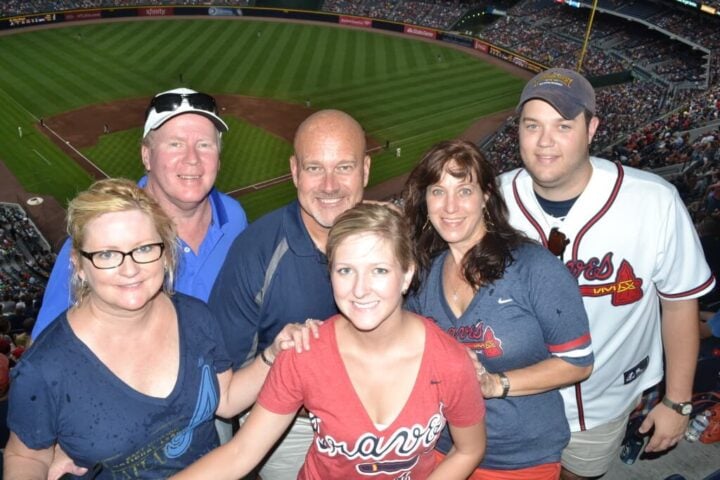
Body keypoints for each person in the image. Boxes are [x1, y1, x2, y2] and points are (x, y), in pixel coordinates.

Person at [3, 179, 313, 479]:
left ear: (165, 253)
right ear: (79, 265)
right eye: (107, 254)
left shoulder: (194, 316)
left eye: (144, 248)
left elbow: (224, 399)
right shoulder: (45, 368)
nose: (130, 269)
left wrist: (272, 355)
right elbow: (26, 455)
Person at [499, 68, 716, 479]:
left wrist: (677, 402)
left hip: (605, 403)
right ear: (520, 131)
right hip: (513, 401)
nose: (545, 141)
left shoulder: (654, 200)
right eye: (533, 126)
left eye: (563, 126)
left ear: (592, 128)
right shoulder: (492, 201)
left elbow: (679, 304)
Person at [172, 203, 487, 480]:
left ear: (406, 274)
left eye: (379, 270)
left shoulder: (449, 362)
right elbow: (241, 453)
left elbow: (469, 449)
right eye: (345, 270)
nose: (360, 290)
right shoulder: (304, 353)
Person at [403, 139, 593, 479]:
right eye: (437, 191)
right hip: (438, 446)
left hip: (519, 457)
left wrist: (494, 384)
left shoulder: (534, 267)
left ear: (486, 196)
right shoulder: (424, 273)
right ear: (425, 200)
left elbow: (578, 363)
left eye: (464, 191)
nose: (450, 206)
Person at [208, 109, 370, 479]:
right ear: (295, 171)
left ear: (365, 169)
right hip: (290, 423)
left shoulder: (389, 241)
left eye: (344, 167)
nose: (329, 186)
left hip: (374, 405)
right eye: (315, 168)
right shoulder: (256, 252)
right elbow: (225, 394)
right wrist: (274, 357)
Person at [32, 87, 248, 339]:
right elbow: (44, 347)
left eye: (204, 145)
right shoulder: (100, 235)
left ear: (219, 158)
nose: (192, 159)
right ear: (147, 156)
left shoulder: (235, 218)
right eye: (175, 144)